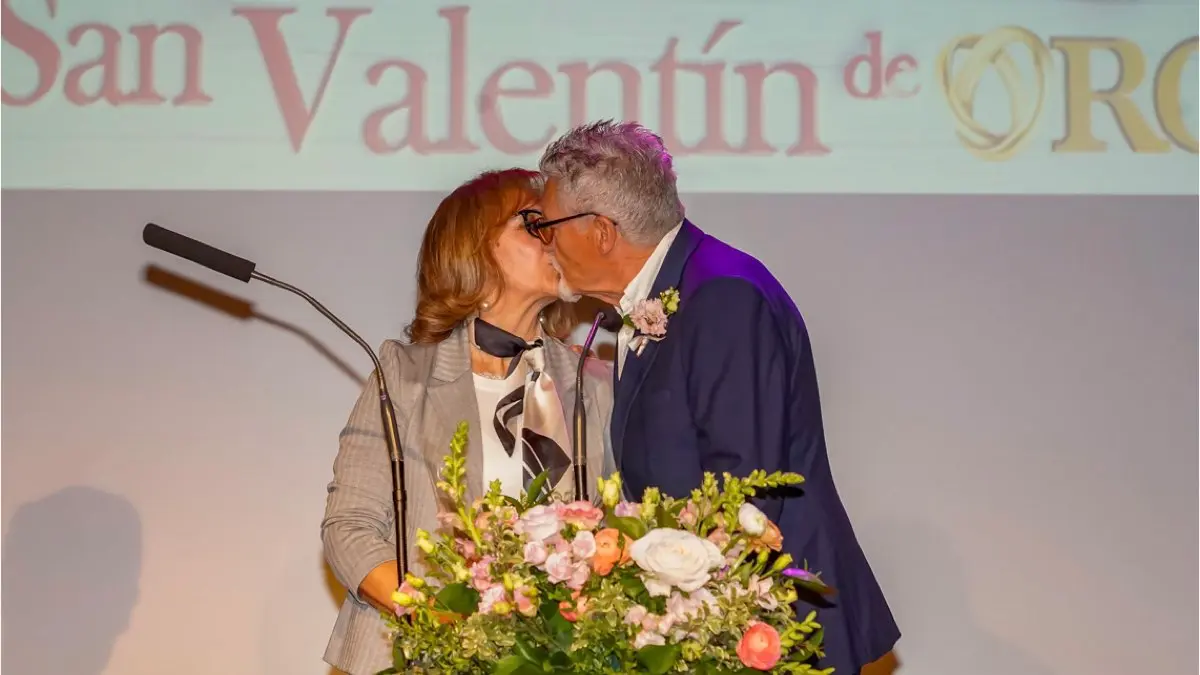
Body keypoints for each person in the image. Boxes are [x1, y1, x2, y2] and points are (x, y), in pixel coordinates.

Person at [531, 121, 900, 675]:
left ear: (601, 231)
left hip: (767, 626)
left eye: (546, 225)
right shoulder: (673, 293)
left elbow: (744, 492)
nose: (544, 242)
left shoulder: (723, 295)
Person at [321, 169, 614, 675]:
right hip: (422, 654)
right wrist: (445, 625)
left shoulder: (597, 381)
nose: (556, 238)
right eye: (534, 224)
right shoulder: (404, 373)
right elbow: (349, 529)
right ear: (476, 249)